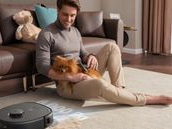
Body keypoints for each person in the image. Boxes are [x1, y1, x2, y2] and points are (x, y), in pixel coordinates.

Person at [36, 0, 172, 106]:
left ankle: (119, 91)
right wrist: (72, 77)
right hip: (67, 85)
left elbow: (82, 53)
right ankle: (146, 99)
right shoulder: (47, 34)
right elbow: (42, 67)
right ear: (58, 11)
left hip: (85, 73)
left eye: (73, 15)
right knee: (100, 85)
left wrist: (90, 56)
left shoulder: (75, 31)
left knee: (112, 47)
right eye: (65, 14)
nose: (69, 19)